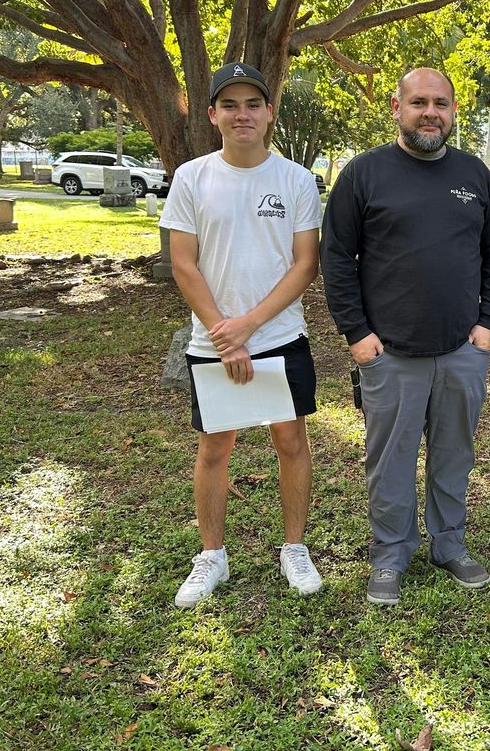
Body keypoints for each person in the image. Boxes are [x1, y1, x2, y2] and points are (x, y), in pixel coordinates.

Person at [320, 68, 490, 606]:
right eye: (419, 102)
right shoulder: (363, 175)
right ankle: (391, 552)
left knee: (454, 455)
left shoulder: (475, 175)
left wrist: (488, 325)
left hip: (462, 352)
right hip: (389, 355)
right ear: (396, 106)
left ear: (454, 110)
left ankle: (449, 545)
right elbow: (336, 260)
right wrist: (357, 335)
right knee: (391, 460)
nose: (431, 112)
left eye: (442, 103)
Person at [162, 61, 324, 608]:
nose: (242, 114)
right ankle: (211, 555)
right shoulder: (192, 177)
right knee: (215, 448)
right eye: (229, 105)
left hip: (279, 335)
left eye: (252, 104)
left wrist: (249, 327)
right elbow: (183, 263)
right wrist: (222, 332)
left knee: (290, 440)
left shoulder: (296, 180)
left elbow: (305, 264)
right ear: (212, 115)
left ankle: (294, 548)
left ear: (269, 112)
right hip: (212, 342)